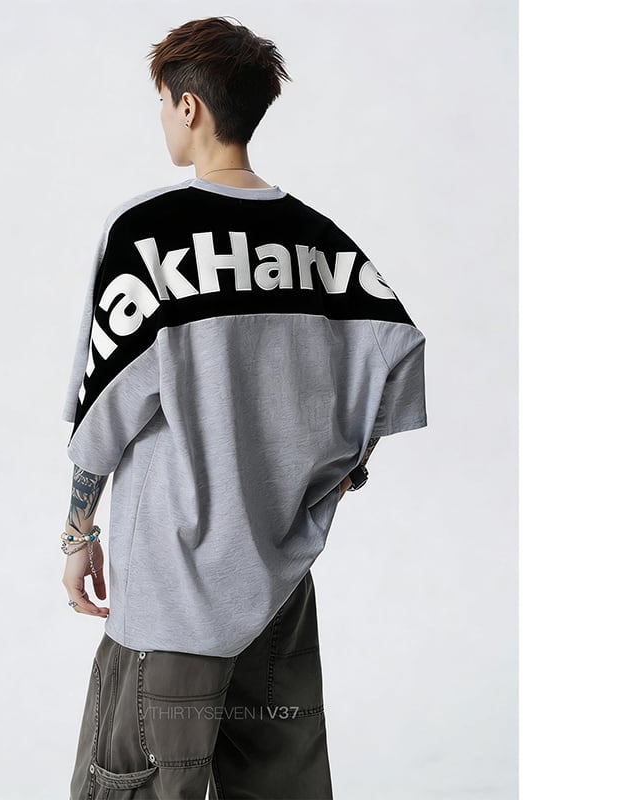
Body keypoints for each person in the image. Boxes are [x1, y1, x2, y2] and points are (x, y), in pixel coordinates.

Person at [60, 15, 427, 800]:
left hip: (170, 603)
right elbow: (397, 356)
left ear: (189, 105)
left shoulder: (148, 235)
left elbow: (103, 424)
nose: (164, 117)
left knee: (135, 785)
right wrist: (338, 480)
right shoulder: (320, 243)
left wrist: (77, 535)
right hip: (279, 595)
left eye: (163, 102)